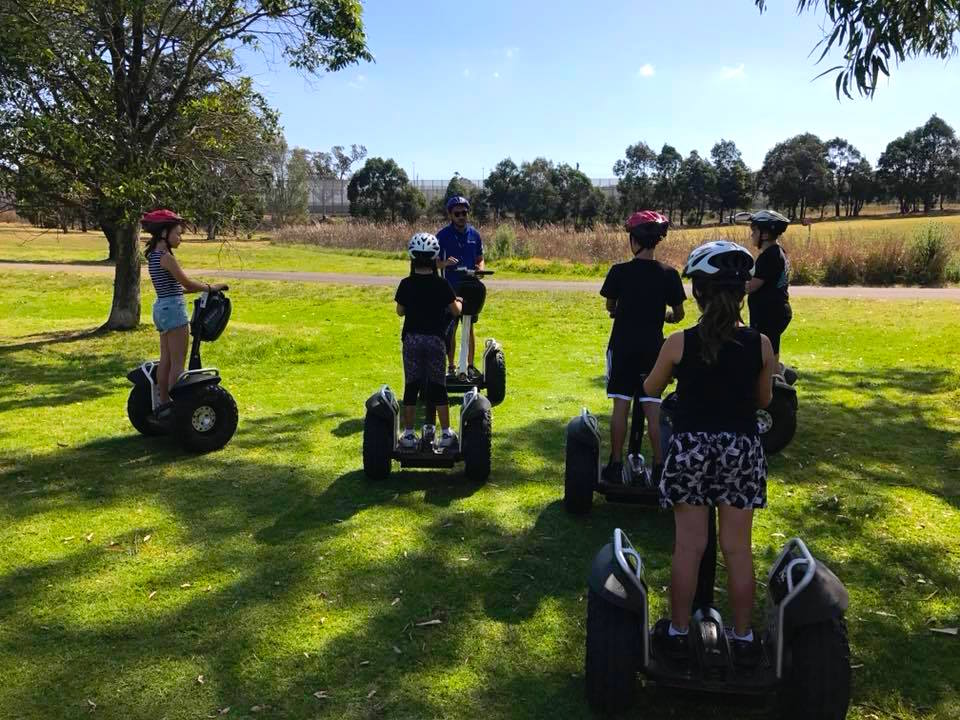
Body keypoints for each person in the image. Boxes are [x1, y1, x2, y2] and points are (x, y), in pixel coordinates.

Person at [642, 240, 775, 664]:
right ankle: (742, 638)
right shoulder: (762, 345)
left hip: (691, 449)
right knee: (738, 549)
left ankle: (678, 631)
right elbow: (765, 400)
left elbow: (650, 389)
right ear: (742, 295)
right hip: (740, 449)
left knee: (689, 547)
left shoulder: (678, 343)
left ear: (697, 292)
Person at [600, 210, 686, 485]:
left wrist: (621, 311)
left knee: (620, 406)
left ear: (634, 240)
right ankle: (660, 466)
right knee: (652, 406)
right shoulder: (669, 274)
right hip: (653, 349)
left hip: (623, 345)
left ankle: (615, 463)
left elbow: (610, 305)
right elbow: (679, 313)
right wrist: (664, 317)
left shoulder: (619, 271)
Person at [142, 209, 227, 417]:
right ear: (164, 233)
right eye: (178, 234)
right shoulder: (167, 258)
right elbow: (186, 282)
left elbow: (175, 287)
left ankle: (163, 402)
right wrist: (211, 287)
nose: (180, 238)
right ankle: (178, 407)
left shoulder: (154, 255)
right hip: (173, 311)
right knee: (178, 362)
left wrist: (195, 289)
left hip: (161, 308)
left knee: (166, 360)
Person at [395, 232, 463, 449]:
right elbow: (455, 311)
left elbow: (400, 311)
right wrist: (459, 301)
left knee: (411, 385)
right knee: (438, 386)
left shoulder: (406, 283)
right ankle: (445, 433)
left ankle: (407, 434)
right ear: (435, 258)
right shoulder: (442, 285)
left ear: (413, 257)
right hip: (435, 340)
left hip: (412, 340)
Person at [436, 196, 484, 376]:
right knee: (451, 328)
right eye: (457, 213)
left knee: (469, 325)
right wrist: (445, 263)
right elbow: (432, 263)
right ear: (450, 215)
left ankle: (470, 366)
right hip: (450, 289)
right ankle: (451, 366)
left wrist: (480, 269)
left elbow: (480, 258)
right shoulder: (442, 236)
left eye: (464, 213)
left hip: (470, 288)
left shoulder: (475, 235)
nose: (461, 216)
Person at [745, 210, 792, 377]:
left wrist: (730, 286)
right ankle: (781, 374)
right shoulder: (779, 252)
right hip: (776, 309)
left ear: (764, 234)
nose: (752, 235)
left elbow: (752, 286)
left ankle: (777, 385)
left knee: (765, 354)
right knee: (771, 350)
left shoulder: (769, 256)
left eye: (754, 231)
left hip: (769, 312)